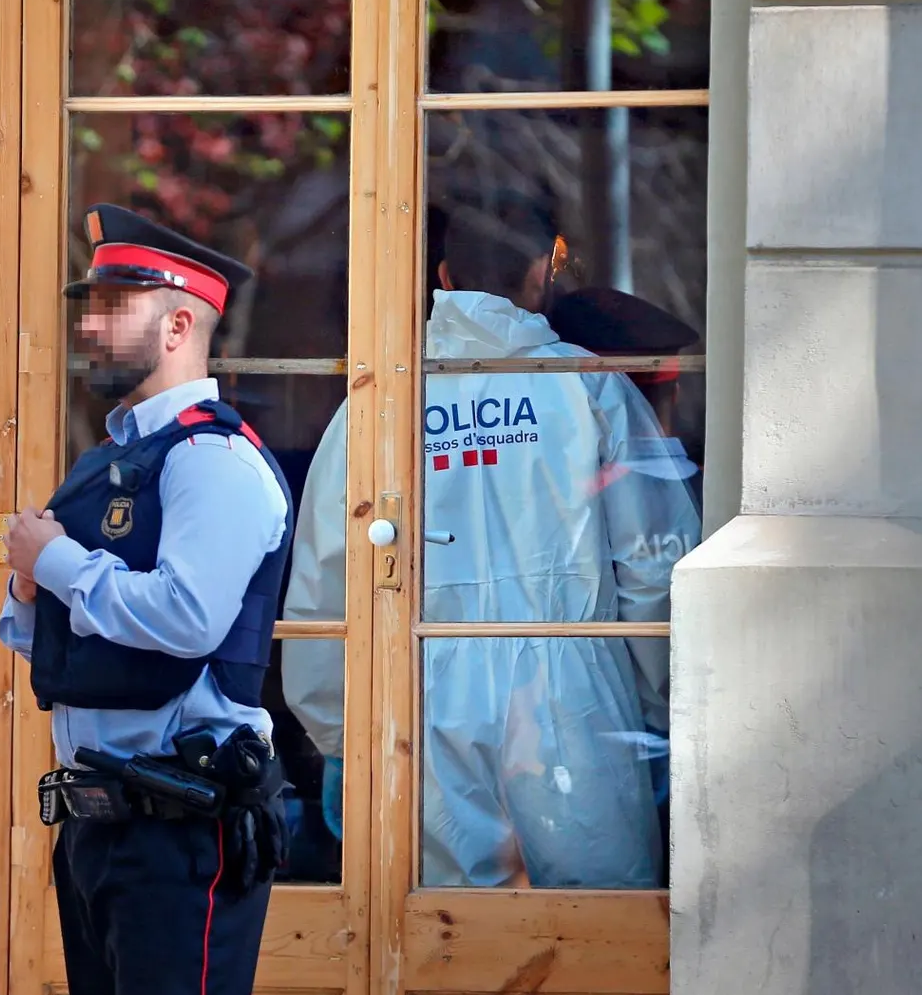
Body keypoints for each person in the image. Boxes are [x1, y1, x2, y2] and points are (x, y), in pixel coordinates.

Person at [280, 200, 702, 889]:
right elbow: (653, 560)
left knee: (438, 939)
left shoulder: (379, 399)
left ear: (443, 276)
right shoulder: (586, 384)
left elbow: (328, 583)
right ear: (544, 272)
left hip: (417, 691)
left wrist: (340, 737)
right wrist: (659, 710)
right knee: (589, 935)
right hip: (573, 696)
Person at [0, 203, 292, 995]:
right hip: (101, 824)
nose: (89, 325)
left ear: (178, 324)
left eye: (112, 305)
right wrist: (33, 585)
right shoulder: (110, 460)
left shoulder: (213, 457)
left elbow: (186, 617)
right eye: (89, 305)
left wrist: (53, 562)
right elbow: (45, 638)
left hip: (180, 827)